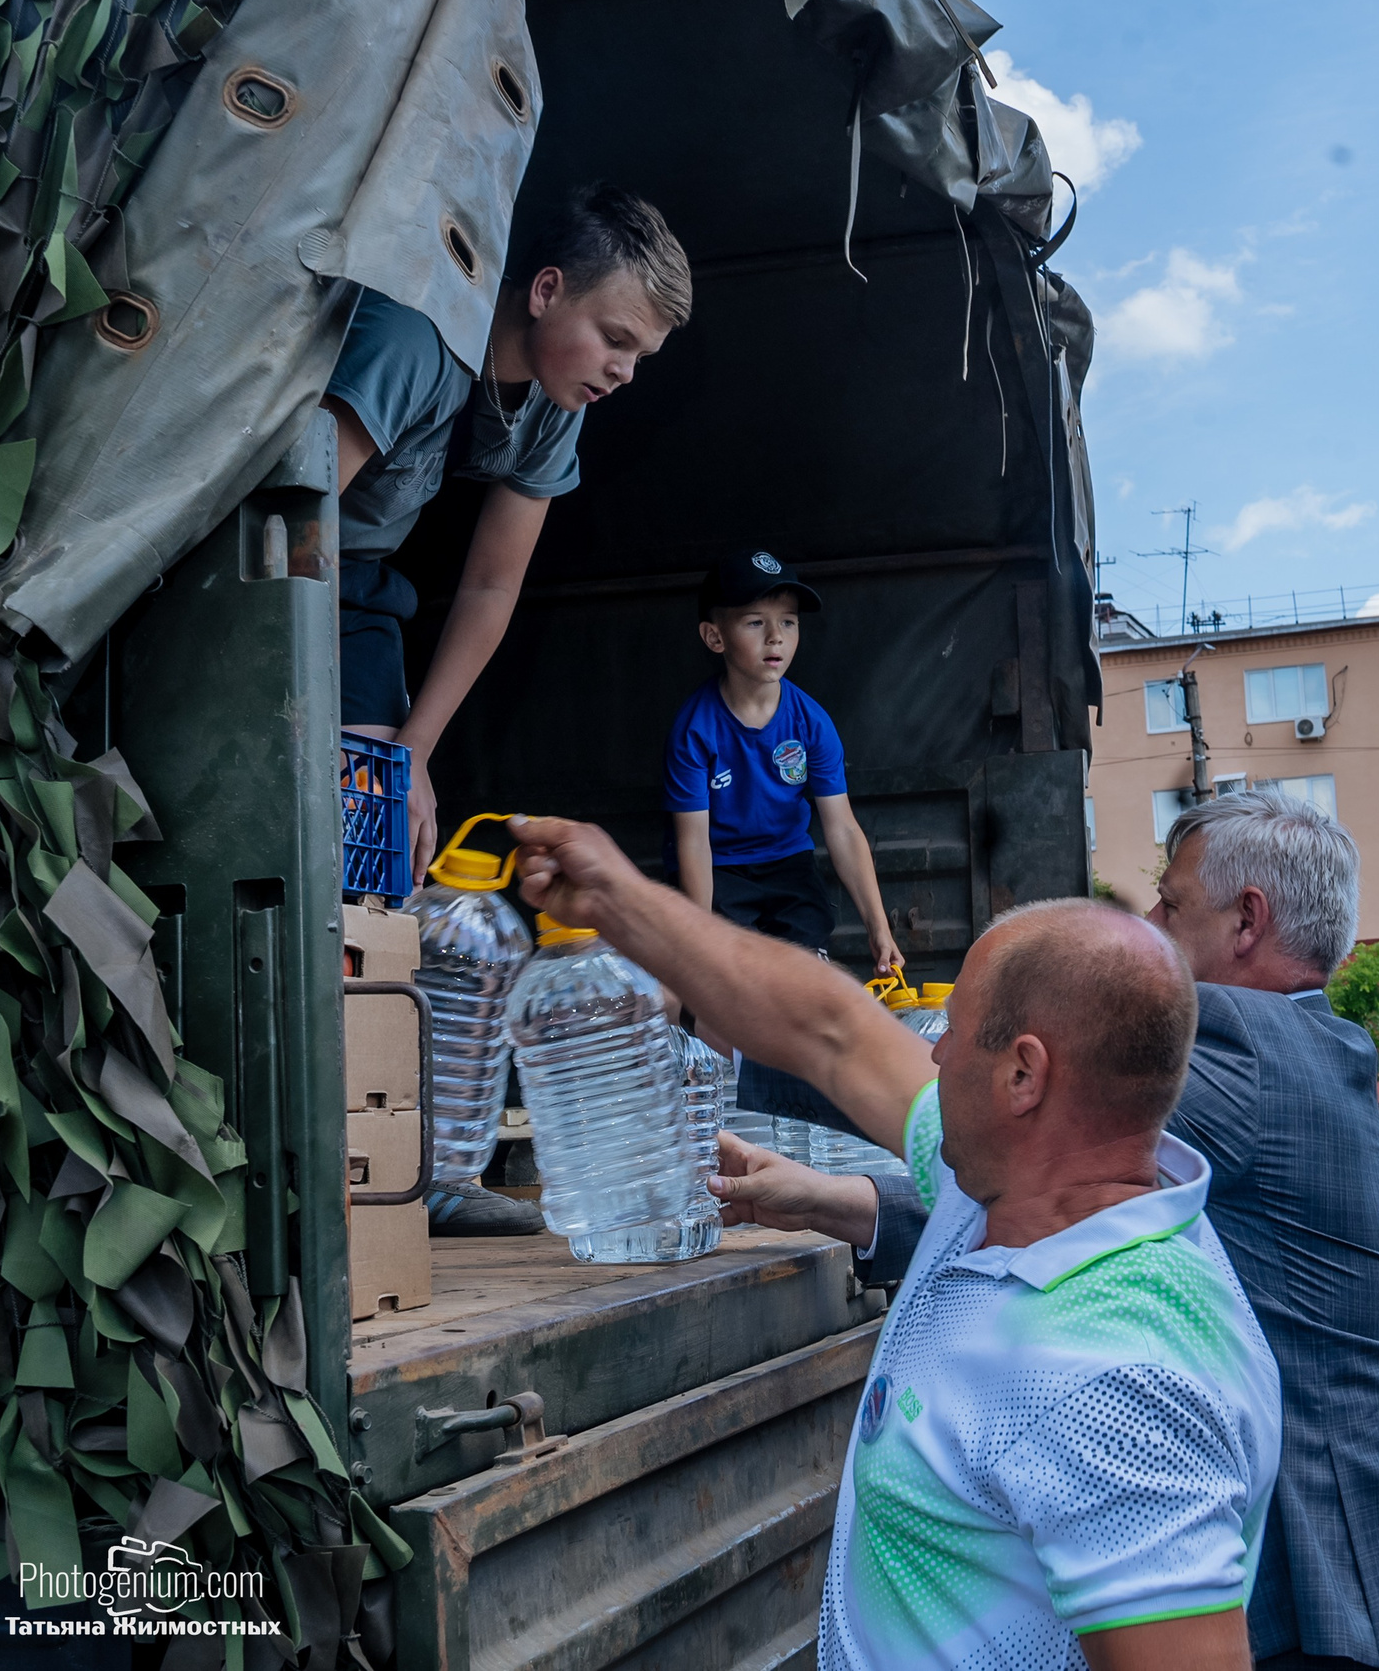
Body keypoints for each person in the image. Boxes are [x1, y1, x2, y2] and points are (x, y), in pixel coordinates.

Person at [509, 818, 1280, 1671]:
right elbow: (830, 1028)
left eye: (951, 1029)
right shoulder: (1008, 1190)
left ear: (1025, 1075)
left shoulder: (1116, 1376)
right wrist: (614, 894)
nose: (933, 1049)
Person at [328, 184, 689, 1237]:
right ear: (542, 292)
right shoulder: (413, 336)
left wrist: (415, 753)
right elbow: (286, 511)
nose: (623, 371)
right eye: (614, 338)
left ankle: (407, 1166)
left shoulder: (547, 408)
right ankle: (319, 1153)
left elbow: (490, 588)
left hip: (354, 594)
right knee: (328, 837)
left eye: (641, 357)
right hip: (264, 568)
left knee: (380, 844)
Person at [1145, 791, 1379, 1670]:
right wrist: (865, 1209)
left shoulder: (1246, 1038)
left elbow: (1044, 1128)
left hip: (1345, 1602)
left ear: (1247, 919)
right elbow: (1092, 1185)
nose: (1150, 924)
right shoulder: (1309, 1044)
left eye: (1171, 904)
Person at [665, 550, 904, 975]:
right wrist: (696, 934)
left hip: (788, 866)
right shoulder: (695, 729)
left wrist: (878, 925)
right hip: (721, 869)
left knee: (805, 975)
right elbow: (693, 842)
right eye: (755, 622)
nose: (776, 636)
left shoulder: (811, 722)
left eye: (788, 622)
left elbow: (842, 828)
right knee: (730, 975)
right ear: (715, 637)